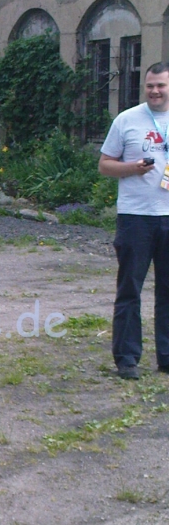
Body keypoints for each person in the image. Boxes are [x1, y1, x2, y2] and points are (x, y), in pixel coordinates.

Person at [98, 61, 169, 379]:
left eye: (161, 85)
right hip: (135, 218)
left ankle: (166, 356)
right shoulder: (127, 120)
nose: (155, 91)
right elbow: (105, 165)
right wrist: (132, 168)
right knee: (130, 288)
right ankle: (127, 358)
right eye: (150, 85)